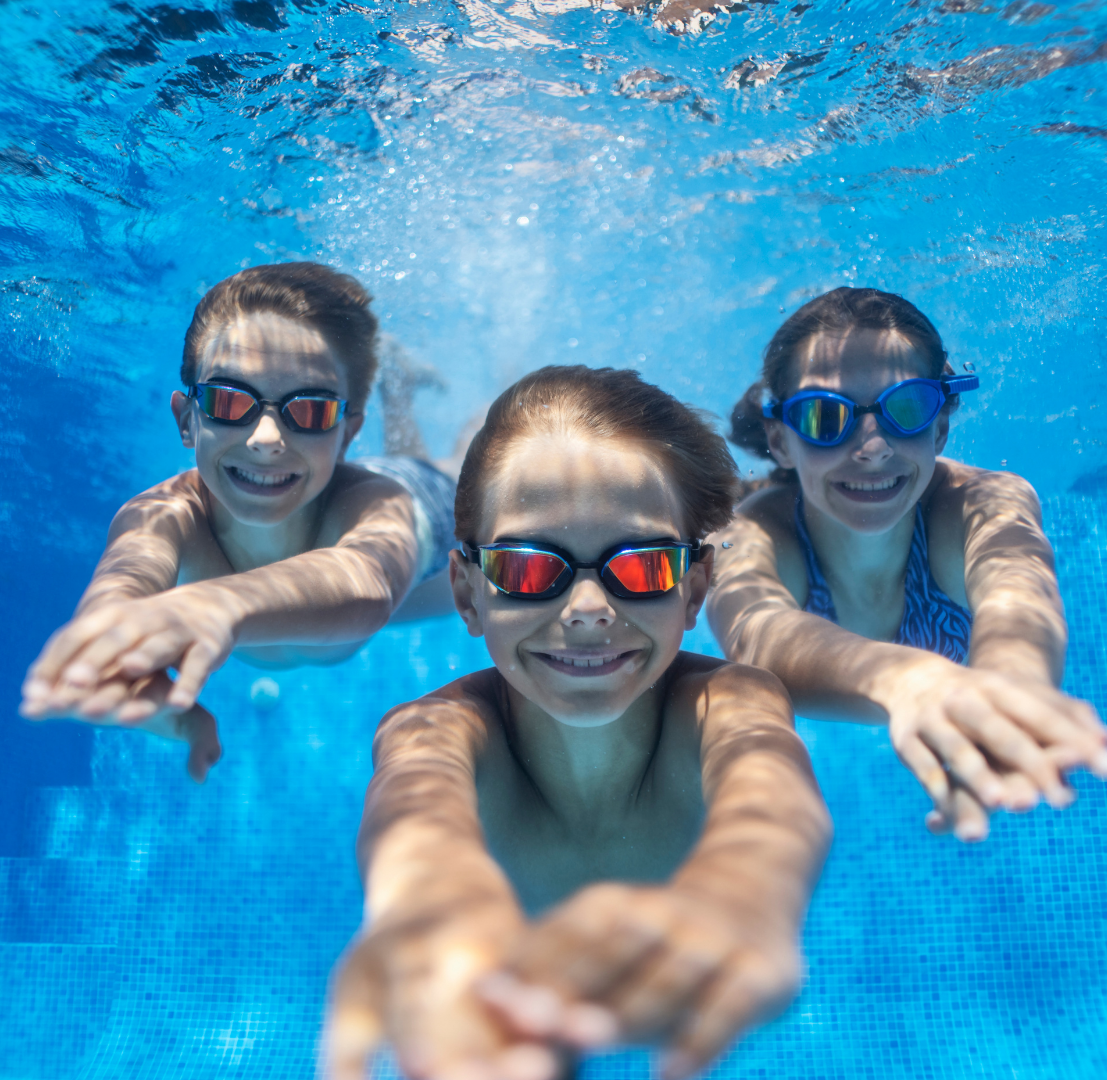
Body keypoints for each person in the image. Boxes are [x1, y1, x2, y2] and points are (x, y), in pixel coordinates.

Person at [326, 366, 831, 1080]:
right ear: (468, 598)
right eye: (530, 570)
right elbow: (415, 809)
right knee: (437, 476)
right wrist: (426, 905)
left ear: (694, 592)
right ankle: (406, 397)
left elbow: (771, 792)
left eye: (645, 566)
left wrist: (745, 894)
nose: (589, 608)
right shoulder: (438, 729)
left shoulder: (728, 703)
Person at [708, 288, 1107, 841]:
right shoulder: (751, 531)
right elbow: (757, 637)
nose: (874, 447)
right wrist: (907, 681)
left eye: (906, 408)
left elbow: (1018, 591)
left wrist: (1011, 691)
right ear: (781, 441)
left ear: (941, 428)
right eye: (824, 417)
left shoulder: (984, 504)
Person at [17, 262, 463, 779]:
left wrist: (218, 603)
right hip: (326, 609)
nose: (266, 438)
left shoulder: (374, 506)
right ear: (187, 420)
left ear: (345, 433)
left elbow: (367, 583)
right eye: (230, 401)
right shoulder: (163, 516)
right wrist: (114, 658)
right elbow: (120, 593)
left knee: (466, 463)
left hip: (426, 530)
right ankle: (399, 384)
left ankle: (404, 386)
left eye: (312, 410)